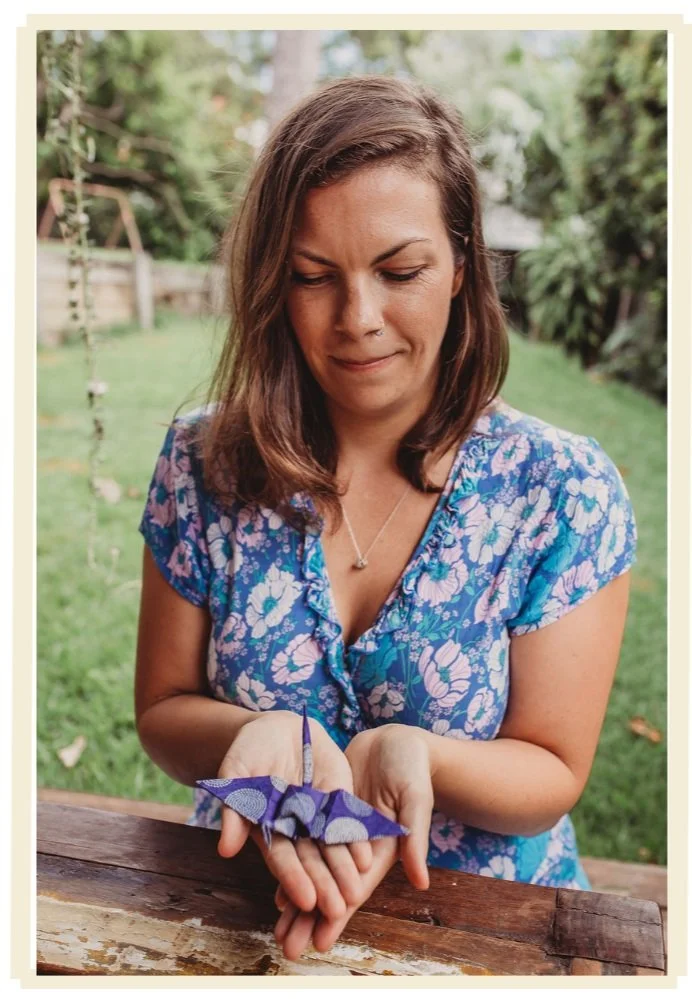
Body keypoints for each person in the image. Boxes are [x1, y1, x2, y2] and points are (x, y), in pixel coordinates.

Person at [134, 75, 637, 961]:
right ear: (272, 285)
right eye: (311, 276)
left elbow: (552, 770)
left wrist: (421, 757)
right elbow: (164, 706)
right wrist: (253, 731)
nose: (357, 319)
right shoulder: (202, 460)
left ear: (461, 264)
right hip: (235, 909)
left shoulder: (561, 490)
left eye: (400, 271)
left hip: (488, 933)